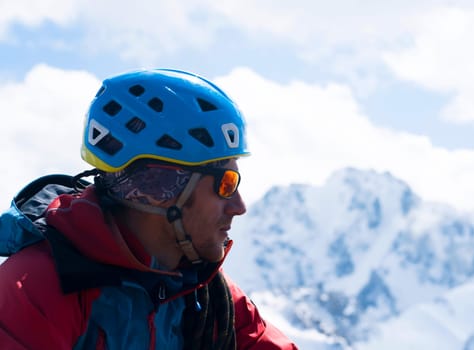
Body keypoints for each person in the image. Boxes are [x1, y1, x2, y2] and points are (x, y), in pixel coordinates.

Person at [0, 69, 298, 349]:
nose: (239, 206)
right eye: (225, 184)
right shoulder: (34, 291)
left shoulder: (207, 293)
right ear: (159, 187)